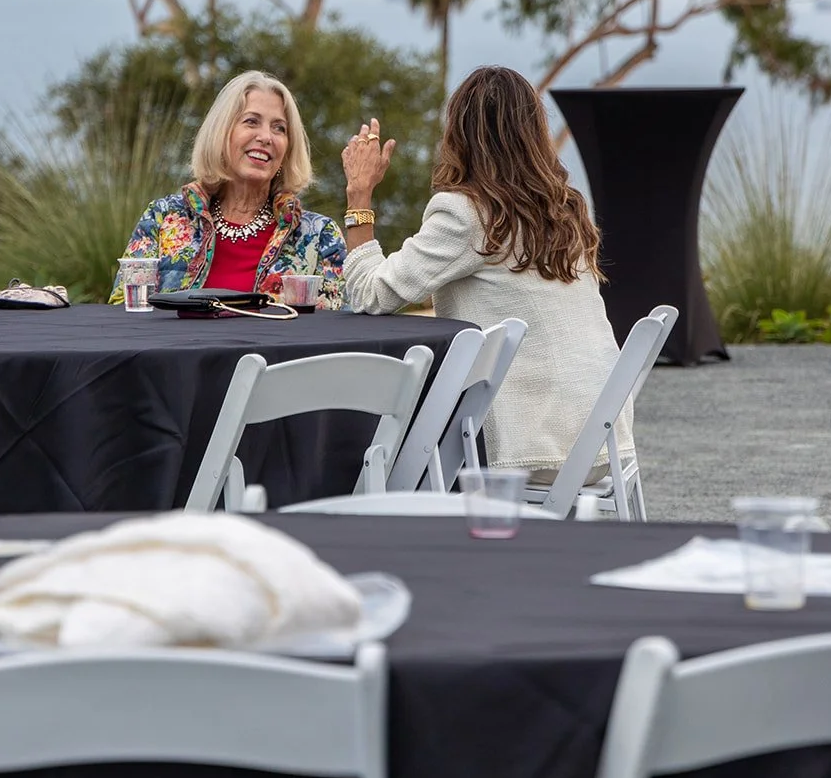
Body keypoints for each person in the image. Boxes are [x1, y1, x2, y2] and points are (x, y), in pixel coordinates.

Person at [340, 65, 631, 482]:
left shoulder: (466, 213)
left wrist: (359, 196)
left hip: (531, 452)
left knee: (391, 453)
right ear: (534, 133)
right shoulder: (565, 209)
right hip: (599, 445)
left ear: (457, 134)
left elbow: (370, 294)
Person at [111, 70, 345, 308]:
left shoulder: (318, 235)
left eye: (279, 128)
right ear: (221, 134)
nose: (266, 137)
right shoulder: (162, 218)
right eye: (251, 121)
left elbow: (336, 328)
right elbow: (123, 312)